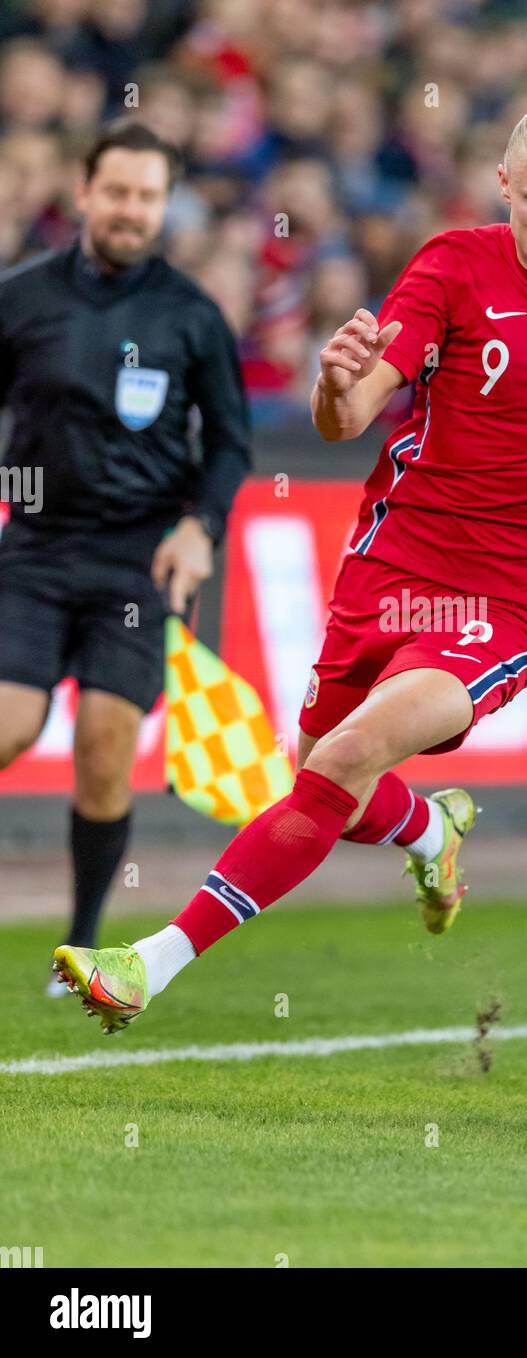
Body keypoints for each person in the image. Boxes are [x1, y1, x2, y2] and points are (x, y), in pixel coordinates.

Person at [51, 95, 527, 1034]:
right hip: (398, 559)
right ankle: (428, 829)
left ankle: (147, 964)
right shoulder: (455, 266)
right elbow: (354, 412)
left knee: (347, 755)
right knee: (321, 776)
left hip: (521, 595)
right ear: (504, 186)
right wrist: (334, 383)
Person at [0, 120, 251, 992]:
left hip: (138, 561)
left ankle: (78, 944)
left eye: (147, 196)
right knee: (9, 726)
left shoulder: (192, 315)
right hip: (32, 548)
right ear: (84, 193)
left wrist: (201, 527)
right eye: (117, 192)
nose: (130, 210)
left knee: (106, 748)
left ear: (163, 205)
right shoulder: (22, 297)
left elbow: (229, 442)